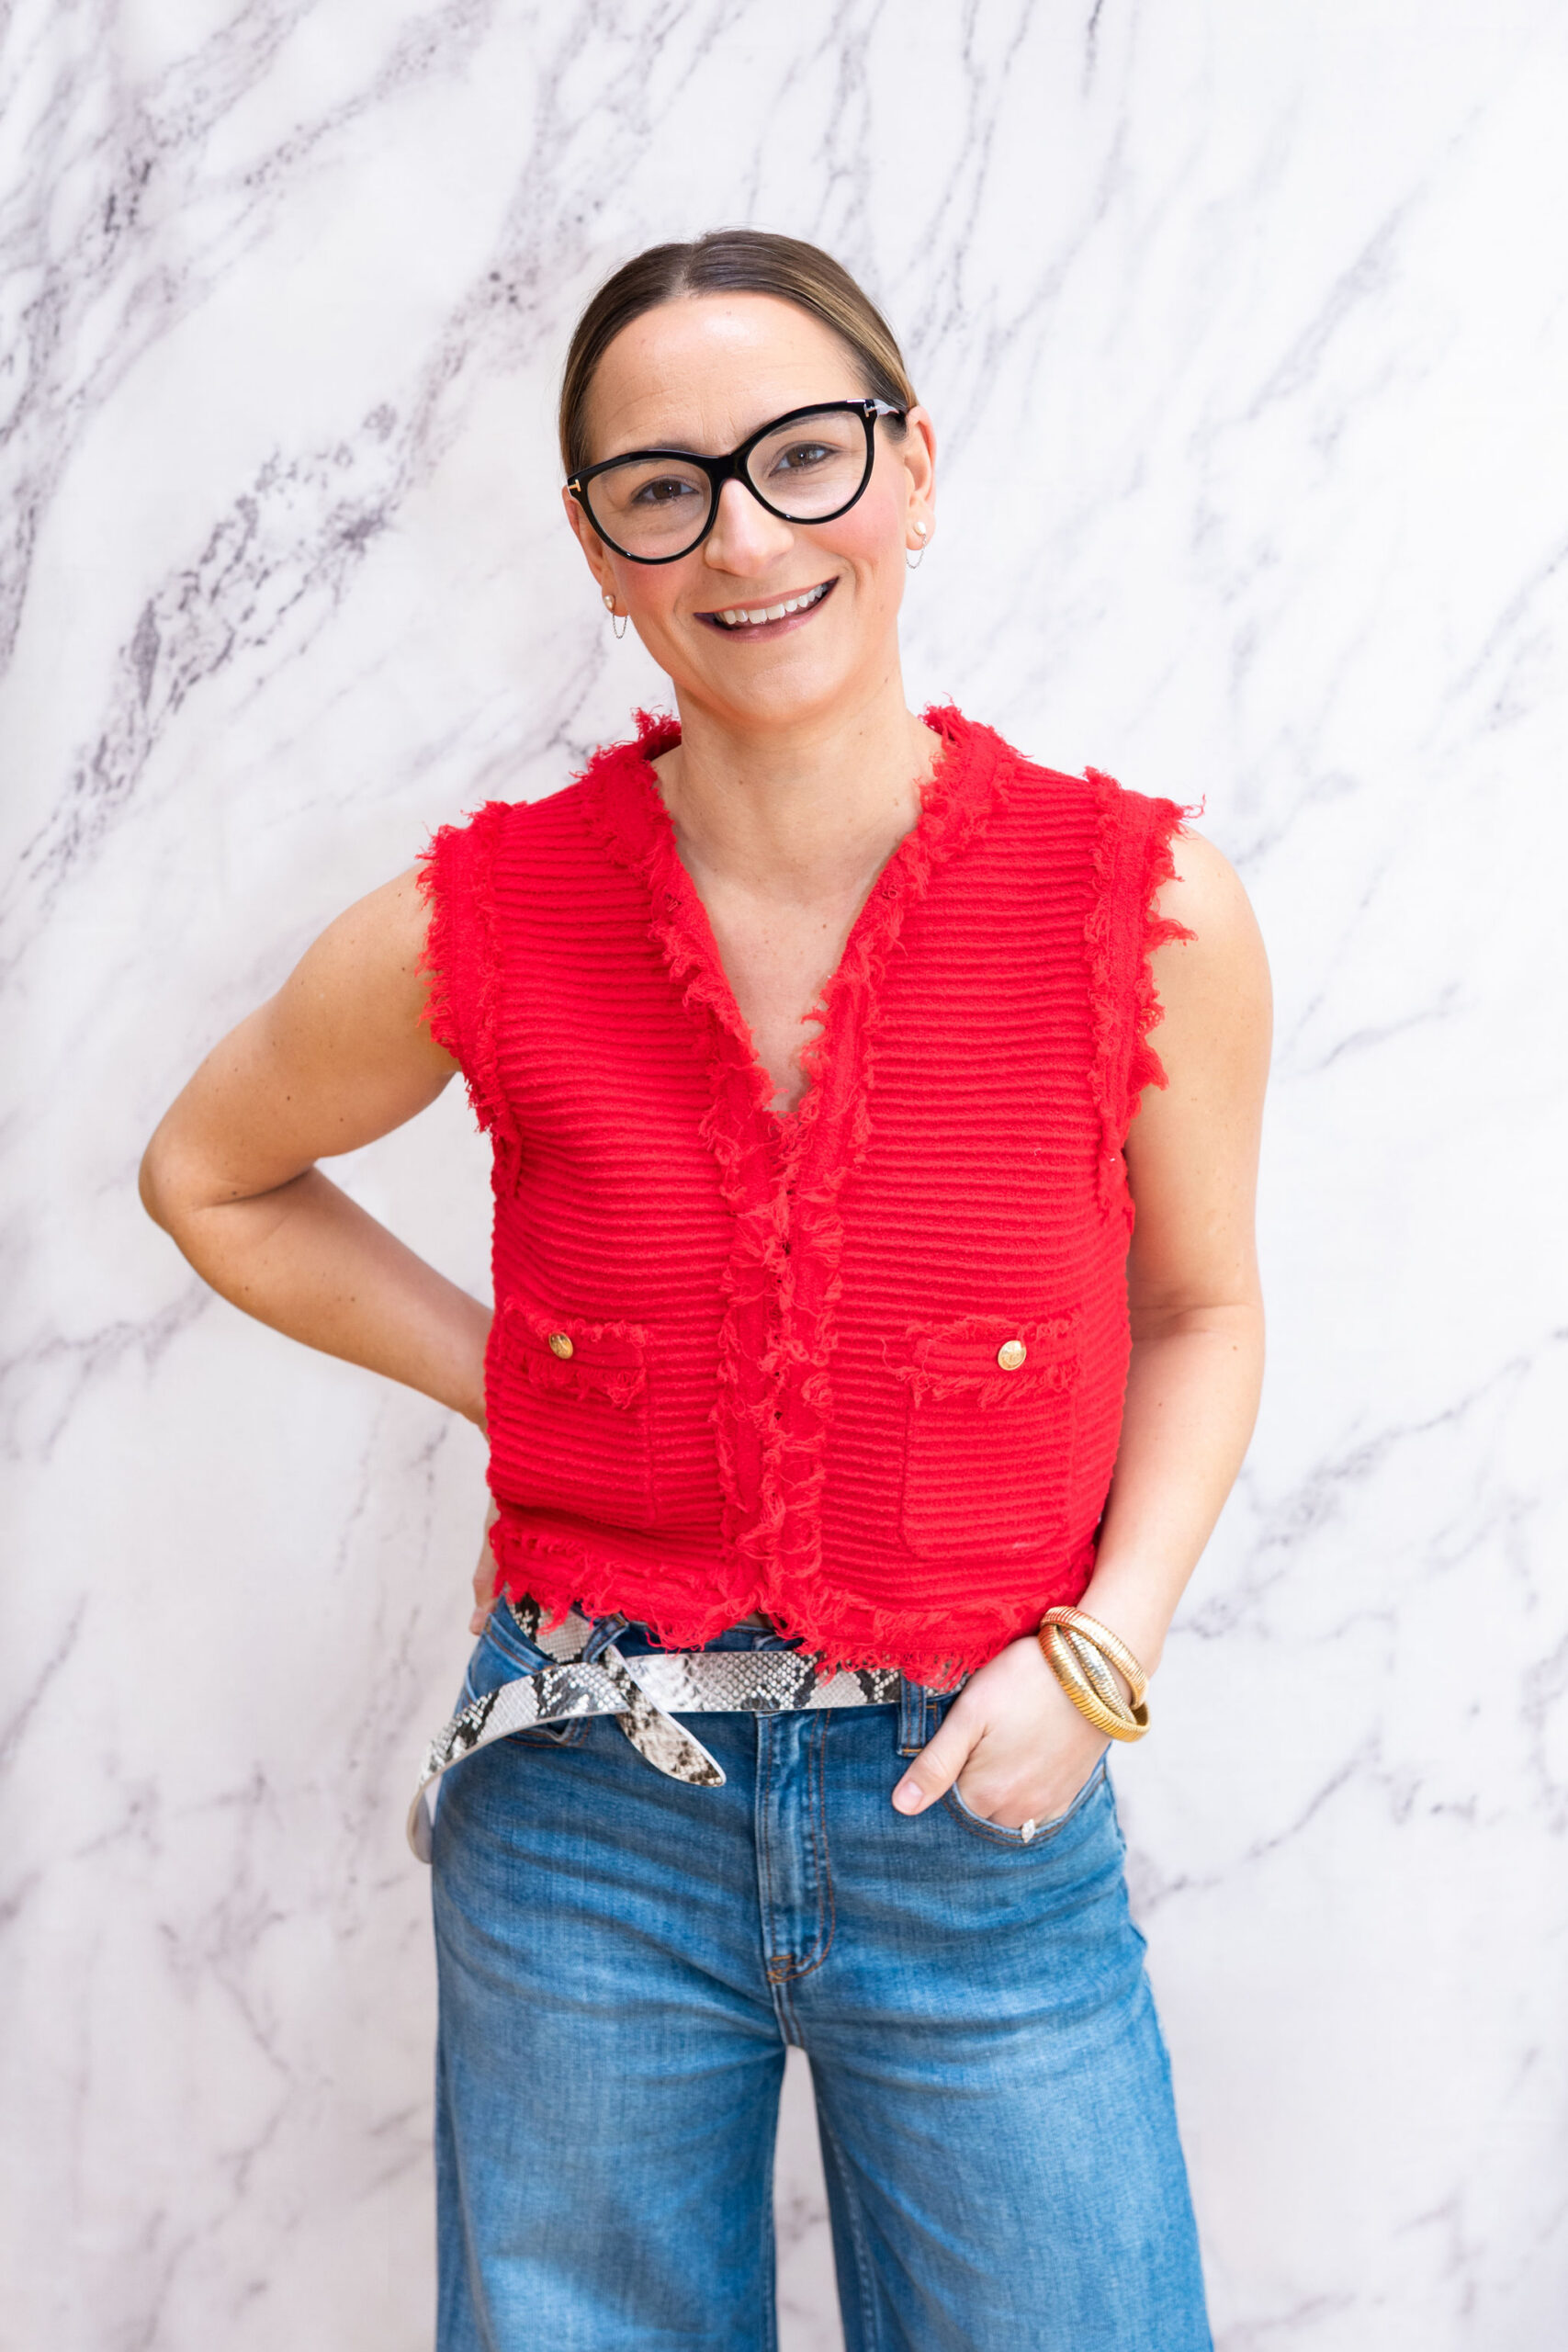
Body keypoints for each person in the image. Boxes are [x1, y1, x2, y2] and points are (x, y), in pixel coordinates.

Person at [141, 229, 1269, 2352]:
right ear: (600, 549)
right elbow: (211, 1172)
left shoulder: (1147, 910)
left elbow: (1206, 1308)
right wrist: (531, 1396)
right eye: (664, 486)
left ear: (913, 469)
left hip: (980, 1797)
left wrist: (1102, 1653)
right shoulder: (475, 916)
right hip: (586, 1806)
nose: (744, 531)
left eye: (804, 455)